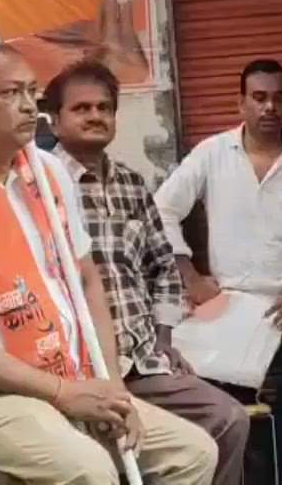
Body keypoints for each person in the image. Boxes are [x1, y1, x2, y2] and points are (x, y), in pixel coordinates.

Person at [0, 43, 217, 485]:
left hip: (71, 373)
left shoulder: (46, 173)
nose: (28, 106)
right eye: (10, 94)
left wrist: (112, 388)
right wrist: (65, 394)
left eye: (31, 91)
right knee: (91, 472)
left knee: (193, 454)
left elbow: (86, 279)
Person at [46, 59, 248, 485]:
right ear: (55, 120)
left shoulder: (132, 185)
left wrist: (164, 338)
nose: (95, 116)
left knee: (228, 419)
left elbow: (162, 268)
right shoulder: (41, 187)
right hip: (80, 367)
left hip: (143, 360)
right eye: (82, 108)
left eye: (104, 108)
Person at [155, 59, 282, 485]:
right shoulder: (212, 153)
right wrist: (190, 275)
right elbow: (160, 209)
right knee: (189, 369)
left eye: (279, 97)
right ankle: (252, 456)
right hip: (229, 299)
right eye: (259, 97)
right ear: (241, 103)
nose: (269, 107)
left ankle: (281, 433)